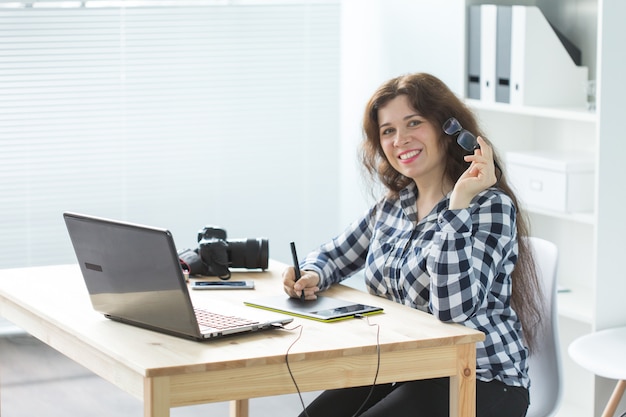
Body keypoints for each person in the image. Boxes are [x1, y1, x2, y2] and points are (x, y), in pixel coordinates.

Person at [282, 72, 543, 417]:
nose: (400, 139)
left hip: (481, 379)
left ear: (449, 130)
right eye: (388, 130)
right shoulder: (392, 207)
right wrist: (312, 273)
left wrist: (458, 205)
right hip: (407, 369)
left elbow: (453, 309)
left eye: (414, 123)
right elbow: (335, 254)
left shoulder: (489, 207)